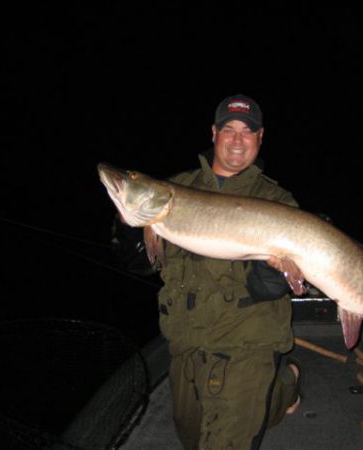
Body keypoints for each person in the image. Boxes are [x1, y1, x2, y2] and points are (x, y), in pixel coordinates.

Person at [112, 94, 301, 450]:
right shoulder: (175, 189)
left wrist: (275, 272)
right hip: (188, 342)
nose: (237, 139)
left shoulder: (277, 201)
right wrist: (128, 227)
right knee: (192, 437)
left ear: (260, 138)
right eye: (229, 129)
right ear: (214, 133)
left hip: (246, 344)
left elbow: (270, 288)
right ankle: (283, 388)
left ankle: (264, 385)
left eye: (248, 131)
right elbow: (138, 264)